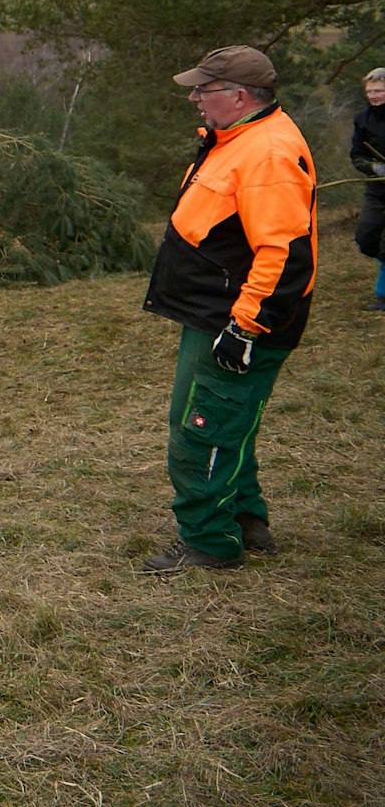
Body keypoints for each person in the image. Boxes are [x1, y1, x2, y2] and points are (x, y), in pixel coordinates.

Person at [140, 45, 316, 574]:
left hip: (237, 319)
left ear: (238, 96)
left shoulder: (266, 153)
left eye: (203, 89)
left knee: (200, 427)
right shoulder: (240, 139)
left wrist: (244, 327)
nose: (194, 98)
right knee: (228, 420)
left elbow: (284, 253)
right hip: (221, 312)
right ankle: (243, 516)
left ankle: (209, 541)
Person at [351, 67, 385, 310]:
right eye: (370, 91)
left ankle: (382, 295)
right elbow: (357, 155)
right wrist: (373, 168)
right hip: (376, 190)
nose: (374, 95)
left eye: (379, 91)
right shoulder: (362, 118)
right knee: (366, 238)